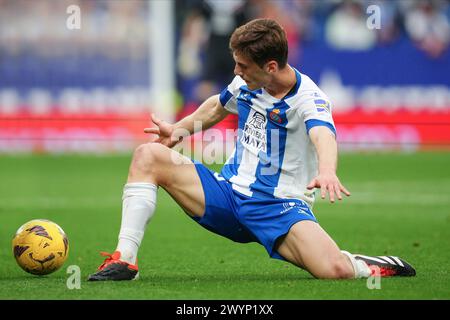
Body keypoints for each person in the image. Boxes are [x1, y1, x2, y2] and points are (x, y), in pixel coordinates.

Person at [88, 18, 416, 281]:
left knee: (335, 271)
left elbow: (323, 136)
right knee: (147, 155)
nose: (236, 72)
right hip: (228, 194)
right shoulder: (248, 82)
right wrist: (179, 129)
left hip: (278, 208)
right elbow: (217, 106)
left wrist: (327, 170)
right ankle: (125, 260)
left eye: (243, 66)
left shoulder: (309, 99)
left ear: (270, 66)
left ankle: (366, 262)